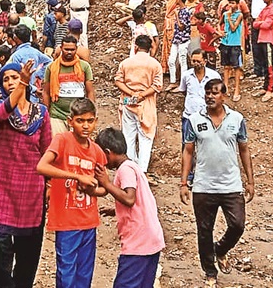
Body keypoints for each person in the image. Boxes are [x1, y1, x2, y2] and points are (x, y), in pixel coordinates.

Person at [180, 78, 253, 288]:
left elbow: (244, 150)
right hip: (203, 186)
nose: (210, 96)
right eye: (208, 93)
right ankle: (210, 273)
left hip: (231, 185)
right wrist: (184, 183)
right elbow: (188, 151)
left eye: (215, 93)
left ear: (224, 96)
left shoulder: (237, 119)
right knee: (204, 230)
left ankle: (220, 249)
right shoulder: (194, 120)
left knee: (237, 225)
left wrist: (250, 181)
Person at [0, 60, 52, 288]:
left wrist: (50, 186)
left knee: (28, 251)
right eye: (6, 79)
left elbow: (47, 152)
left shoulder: (41, 114)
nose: (10, 83)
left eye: (14, 77)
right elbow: (0, 114)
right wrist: (23, 82)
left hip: (32, 189)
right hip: (3, 186)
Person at [36, 97, 107, 288]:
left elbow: (104, 188)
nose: (85, 126)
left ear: (95, 121)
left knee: (84, 274)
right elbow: (42, 166)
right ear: (70, 121)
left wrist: (93, 189)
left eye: (89, 121)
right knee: (66, 273)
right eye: (80, 121)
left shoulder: (97, 151)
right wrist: (77, 178)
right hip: (66, 222)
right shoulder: (62, 140)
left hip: (89, 221)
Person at [95, 128, 165, 288]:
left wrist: (106, 183)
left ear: (108, 152)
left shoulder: (125, 170)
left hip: (138, 243)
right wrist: (116, 209)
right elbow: (139, 200)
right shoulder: (134, 166)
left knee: (125, 284)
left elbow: (129, 198)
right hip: (151, 239)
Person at [114, 34, 162, 172]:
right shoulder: (155, 64)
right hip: (146, 102)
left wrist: (131, 93)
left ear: (135, 47)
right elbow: (157, 86)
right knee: (146, 137)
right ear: (150, 48)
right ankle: (142, 170)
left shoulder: (126, 63)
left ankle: (129, 168)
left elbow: (118, 80)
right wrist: (141, 94)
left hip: (128, 101)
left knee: (128, 135)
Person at [42, 35, 95, 135]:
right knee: (58, 145)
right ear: (61, 48)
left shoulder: (84, 66)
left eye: (72, 49)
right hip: (57, 114)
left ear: (76, 49)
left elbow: (90, 91)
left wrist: (90, 112)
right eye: (66, 49)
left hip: (79, 115)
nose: (69, 52)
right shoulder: (51, 68)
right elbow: (46, 92)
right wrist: (46, 114)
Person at [253, 0, 273, 101]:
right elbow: (255, 24)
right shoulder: (264, 10)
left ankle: (270, 90)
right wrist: (260, 23)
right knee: (264, 64)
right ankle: (265, 87)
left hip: (269, 40)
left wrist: (260, 23)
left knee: (270, 66)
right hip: (261, 39)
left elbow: (266, 25)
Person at [179, 48, 222, 121]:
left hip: (208, 116)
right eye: (193, 61)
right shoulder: (186, 75)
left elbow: (220, 93)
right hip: (189, 116)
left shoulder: (214, 76)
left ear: (205, 61)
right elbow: (183, 90)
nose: (196, 63)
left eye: (198, 61)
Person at [218, 0, 245, 103]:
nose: (231, 5)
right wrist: (220, 32)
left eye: (233, 3)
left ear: (237, 4)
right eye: (229, 3)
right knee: (226, 66)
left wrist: (229, 18)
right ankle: (226, 88)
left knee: (236, 67)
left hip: (235, 43)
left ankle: (237, 90)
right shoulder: (224, 14)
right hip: (226, 43)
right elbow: (219, 24)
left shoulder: (239, 15)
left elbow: (234, 28)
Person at [167, 0, 191, 90]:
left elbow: (181, 27)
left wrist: (176, 15)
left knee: (182, 61)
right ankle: (173, 81)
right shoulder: (181, 11)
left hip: (184, 39)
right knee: (171, 60)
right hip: (177, 39)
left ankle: (183, 85)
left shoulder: (185, 12)